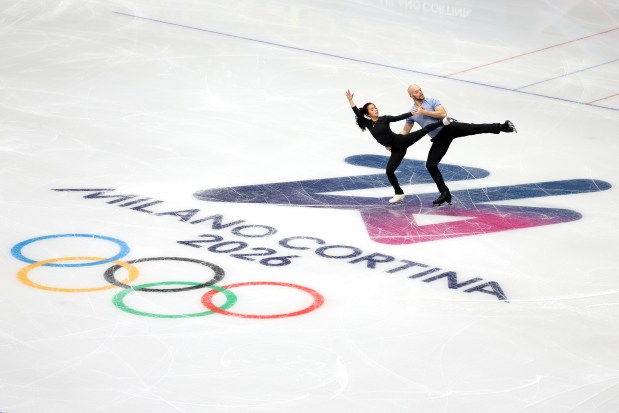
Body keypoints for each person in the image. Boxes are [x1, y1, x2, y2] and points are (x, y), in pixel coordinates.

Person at [399, 83, 517, 206]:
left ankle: (503, 127)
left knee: (474, 128)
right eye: (417, 92)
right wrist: (392, 141)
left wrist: (424, 111)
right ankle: (445, 193)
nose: (420, 92)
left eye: (421, 90)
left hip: (449, 128)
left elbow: (442, 114)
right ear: (411, 95)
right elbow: (405, 131)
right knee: (430, 165)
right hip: (439, 139)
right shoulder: (411, 113)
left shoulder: (432, 101)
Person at [345, 89, 455, 204]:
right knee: (389, 171)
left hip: (401, 141)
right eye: (372, 109)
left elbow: (399, 117)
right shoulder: (368, 123)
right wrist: (351, 101)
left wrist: (411, 113)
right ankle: (399, 193)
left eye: (375, 107)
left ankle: (444, 122)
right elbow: (357, 113)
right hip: (396, 150)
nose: (375, 110)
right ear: (368, 114)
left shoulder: (384, 119)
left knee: (424, 130)